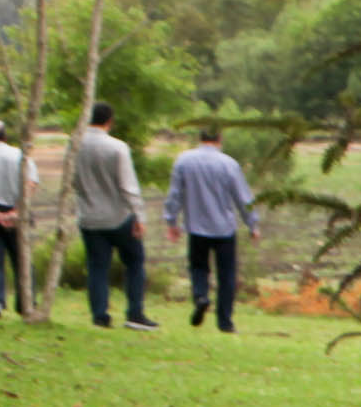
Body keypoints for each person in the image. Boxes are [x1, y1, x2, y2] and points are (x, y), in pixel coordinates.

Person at [164, 124, 257, 332]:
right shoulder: (229, 164)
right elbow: (243, 198)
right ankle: (225, 322)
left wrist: (172, 221)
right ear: (220, 138)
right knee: (226, 275)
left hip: (196, 227)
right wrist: (252, 223)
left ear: (200, 137)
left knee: (198, 267)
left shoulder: (184, 161)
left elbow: (175, 194)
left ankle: (200, 296)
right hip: (224, 228)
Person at [71, 102, 155, 332]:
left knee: (97, 267)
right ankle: (135, 313)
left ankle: (100, 315)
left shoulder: (75, 145)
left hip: (89, 216)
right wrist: (140, 216)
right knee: (135, 261)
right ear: (110, 121)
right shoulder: (117, 147)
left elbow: (73, 180)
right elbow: (128, 186)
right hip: (118, 216)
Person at [0, 123, 24, 317]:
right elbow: (31, 182)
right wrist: (17, 209)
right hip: (16, 210)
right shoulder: (19, 155)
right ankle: (25, 303)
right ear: (5, 137)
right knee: (21, 259)